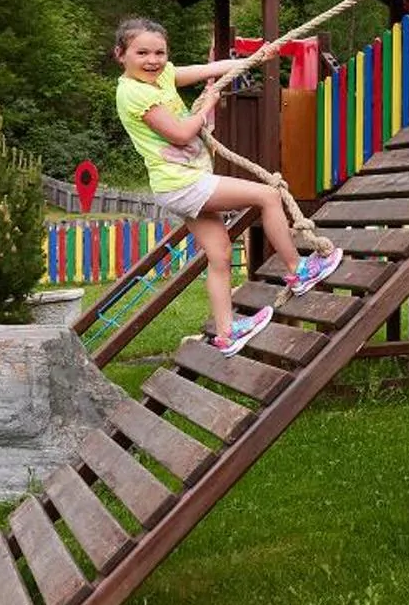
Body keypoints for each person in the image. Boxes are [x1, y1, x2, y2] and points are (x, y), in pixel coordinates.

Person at [112, 17, 341, 354]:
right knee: (267, 195)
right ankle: (299, 270)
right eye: (142, 53)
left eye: (159, 52)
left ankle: (226, 332)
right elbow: (180, 134)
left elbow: (210, 69)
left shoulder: (162, 76)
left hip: (177, 185)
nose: (153, 60)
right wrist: (206, 107)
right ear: (121, 54)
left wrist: (256, 58)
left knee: (219, 254)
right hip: (184, 183)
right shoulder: (133, 92)